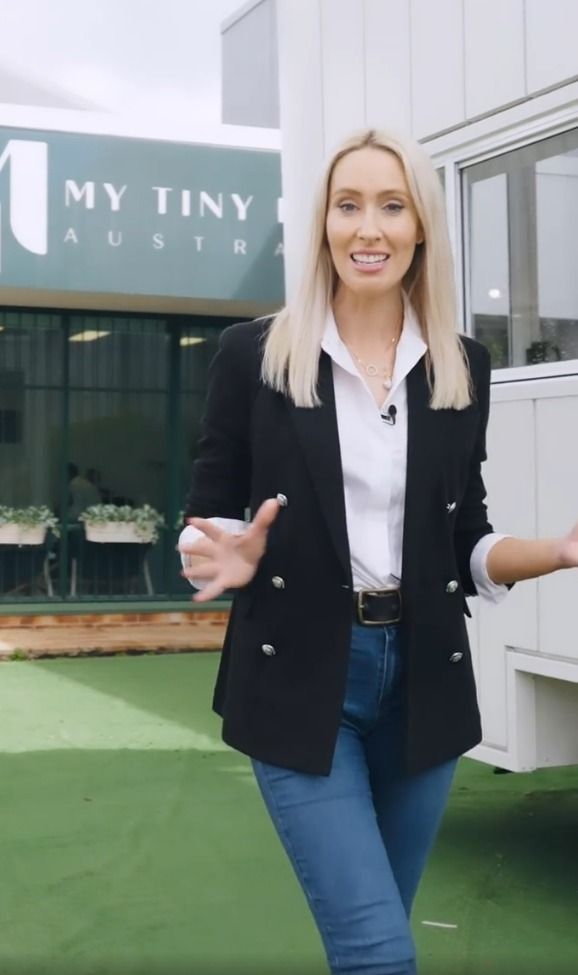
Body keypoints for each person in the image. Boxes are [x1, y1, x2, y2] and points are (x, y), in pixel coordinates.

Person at [178, 128, 578, 975]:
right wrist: (217, 552)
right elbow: (208, 511)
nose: (369, 228)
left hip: (426, 681)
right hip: (300, 679)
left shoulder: (461, 366)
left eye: (392, 206)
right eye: (348, 205)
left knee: (371, 941)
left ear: (420, 226)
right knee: (378, 953)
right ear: (322, 224)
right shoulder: (253, 355)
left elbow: (464, 538)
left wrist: (555, 551)